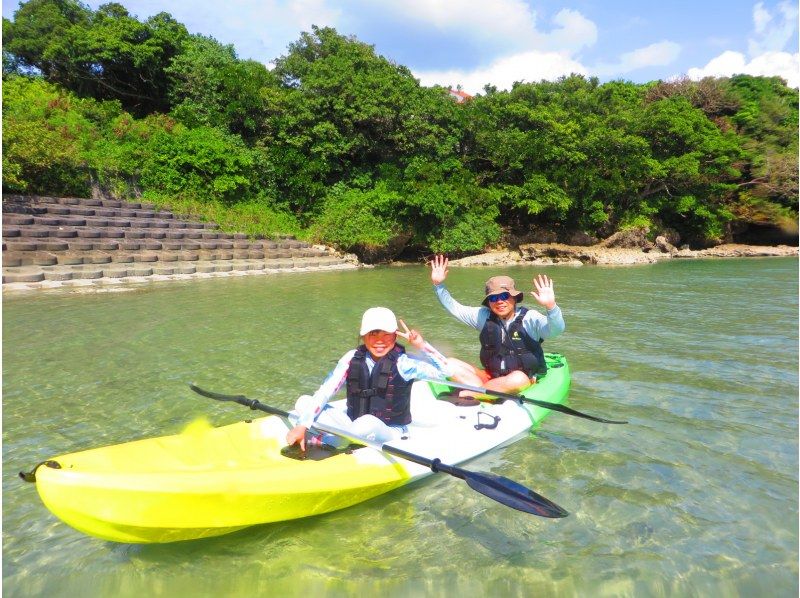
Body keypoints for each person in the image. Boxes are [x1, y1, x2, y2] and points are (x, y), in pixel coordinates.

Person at [286, 306, 453, 451]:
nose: (380, 341)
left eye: (386, 334)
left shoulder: (404, 363)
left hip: (389, 431)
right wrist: (303, 424)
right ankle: (340, 436)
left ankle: (327, 441)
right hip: (352, 423)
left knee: (366, 423)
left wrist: (421, 346)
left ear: (395, 336)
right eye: (373, 334)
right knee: (303, 401)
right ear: (363, 336)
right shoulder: (351, 358)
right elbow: (326, 390)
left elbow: (445, 371)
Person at [428, 254, 565, 397]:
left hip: (524, 380)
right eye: (493, 298)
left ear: (514, 297)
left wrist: (551, 307)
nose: (499, 301)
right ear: (489, 302)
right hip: (491, 377)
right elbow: (454, 308)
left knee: (518, 378)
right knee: (448, 363)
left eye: (505, 296)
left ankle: (474, 394)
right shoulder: (484, 316)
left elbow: (556, 330)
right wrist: (438, 286)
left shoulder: (530, 318)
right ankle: (483, 391)